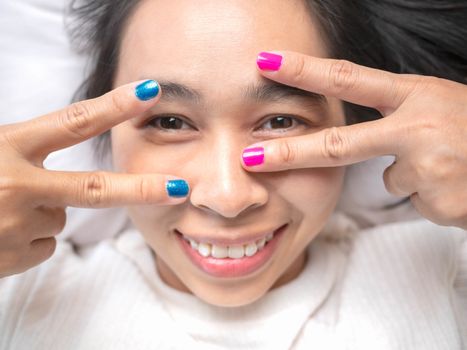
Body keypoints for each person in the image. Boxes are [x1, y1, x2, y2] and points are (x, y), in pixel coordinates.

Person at [0, 0, 466, 348]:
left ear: (352, 124)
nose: (227, 197)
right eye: (170, 122)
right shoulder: (23, 288)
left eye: (280, 121)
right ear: (104, 134)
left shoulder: (443, 263)